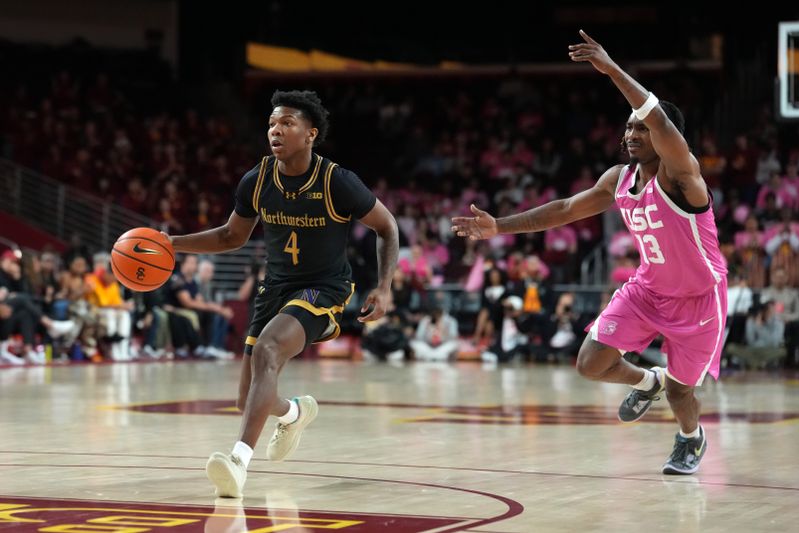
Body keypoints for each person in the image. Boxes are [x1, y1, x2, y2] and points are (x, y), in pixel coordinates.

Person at [452, 30, 727, 475]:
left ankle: (690, 439)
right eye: (629, 127)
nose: (632, 132)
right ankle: (645, 380)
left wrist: (611, 68)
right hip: (647, 290)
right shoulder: (617, 179)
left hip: (699, 299)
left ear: (665, 137)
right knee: (591, 362)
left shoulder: (683, 176)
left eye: (641, 127)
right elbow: (564, 209)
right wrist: (499, 226)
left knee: (682, 392)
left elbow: (658, 117)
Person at [167, 90, 399, 497]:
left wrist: (383, 286)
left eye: (287, 123)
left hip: (324, 290)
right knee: (247, 399)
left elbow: (387, 227)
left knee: (268, 350)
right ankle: (294, 413)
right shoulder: (257, 180)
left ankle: (238, 461)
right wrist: (172, 243)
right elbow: (229, 236)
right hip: (274, 289)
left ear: (310, 134)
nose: (276, 130)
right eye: (272, 123)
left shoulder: (337, 181)